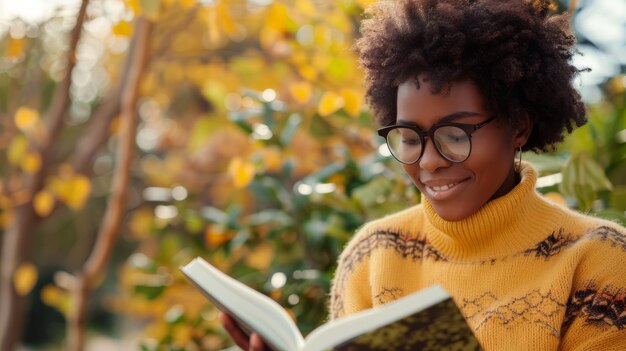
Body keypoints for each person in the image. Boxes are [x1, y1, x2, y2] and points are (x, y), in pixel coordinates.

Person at [222, 0, 626, 349]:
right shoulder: (374, 256)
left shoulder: (598, 262)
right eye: (410, 137)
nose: (429, 161)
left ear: (518, 126)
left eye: (454, 134)